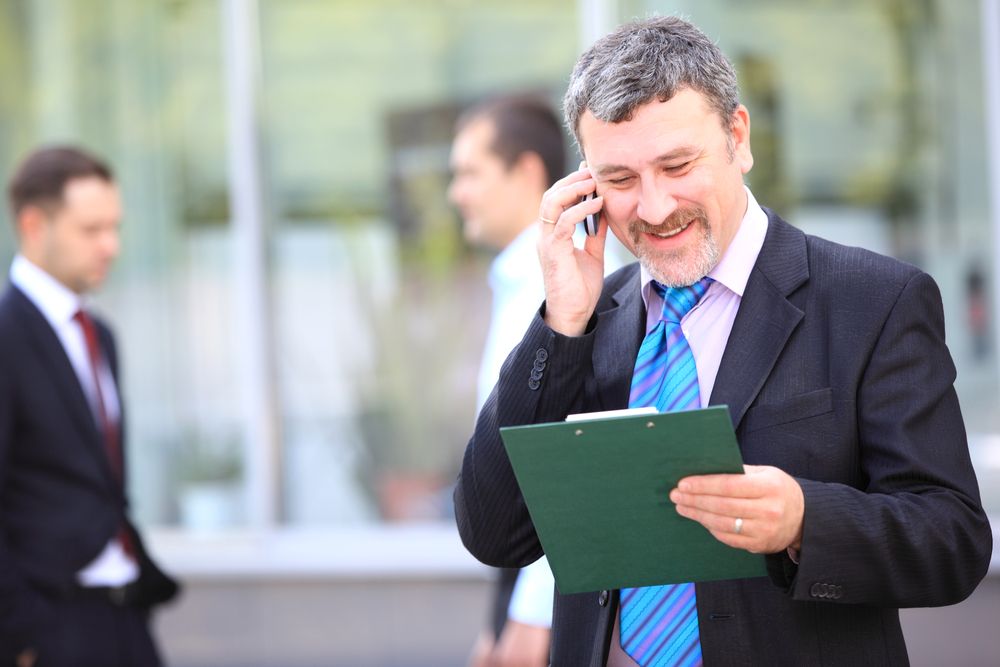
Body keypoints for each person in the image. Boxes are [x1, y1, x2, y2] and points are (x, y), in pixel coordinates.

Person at [454, 16, 992, 667]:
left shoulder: (871, 301)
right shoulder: (590, 322)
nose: (654, 208)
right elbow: (493, 531)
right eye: (620, 180)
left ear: (738, 138)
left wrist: (804, 520)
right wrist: (560, 323)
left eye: (677, 165)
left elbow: (953, 539)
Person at [0, 146, 179, 666]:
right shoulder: (7, 337)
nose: (111, 245)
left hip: (123, 613)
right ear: (35, 226)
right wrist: (21, 639)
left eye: (115, 227)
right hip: (52, 624)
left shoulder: (99, 334)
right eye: (91, 229)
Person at [448, 95, 564, 667]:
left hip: (551, 590)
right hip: (519, 576)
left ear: (527, 172)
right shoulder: (515, 281)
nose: (456, 193)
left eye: (470, 172)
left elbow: (563, 461)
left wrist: (531, 615)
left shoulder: (565, 290)